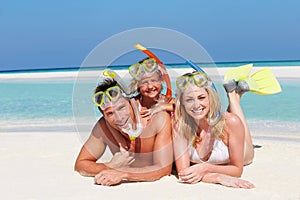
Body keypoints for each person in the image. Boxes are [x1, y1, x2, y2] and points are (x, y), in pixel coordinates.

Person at [172, 65, 281, 188]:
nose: (196, 105)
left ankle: (233, 96)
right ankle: (235, 94)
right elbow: (184, 173)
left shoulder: (230, 122)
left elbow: (237, 169)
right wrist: (216, 176)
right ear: (182, 103)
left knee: (237, 126)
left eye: (201, 98)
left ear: (210, 98)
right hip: (223, 141)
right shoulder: (180, 126)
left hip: (243, 152)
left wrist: (204, 168)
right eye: (189, 100)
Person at [74, 78, 173, 186]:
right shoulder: (104, 126)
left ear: (132, 103)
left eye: (121, 107)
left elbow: (164, 169)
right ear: (104, 116)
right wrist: (109, 166)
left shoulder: (157, 119)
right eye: (110, 113)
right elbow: (80, 164)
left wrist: (122, 174)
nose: (119, 118)